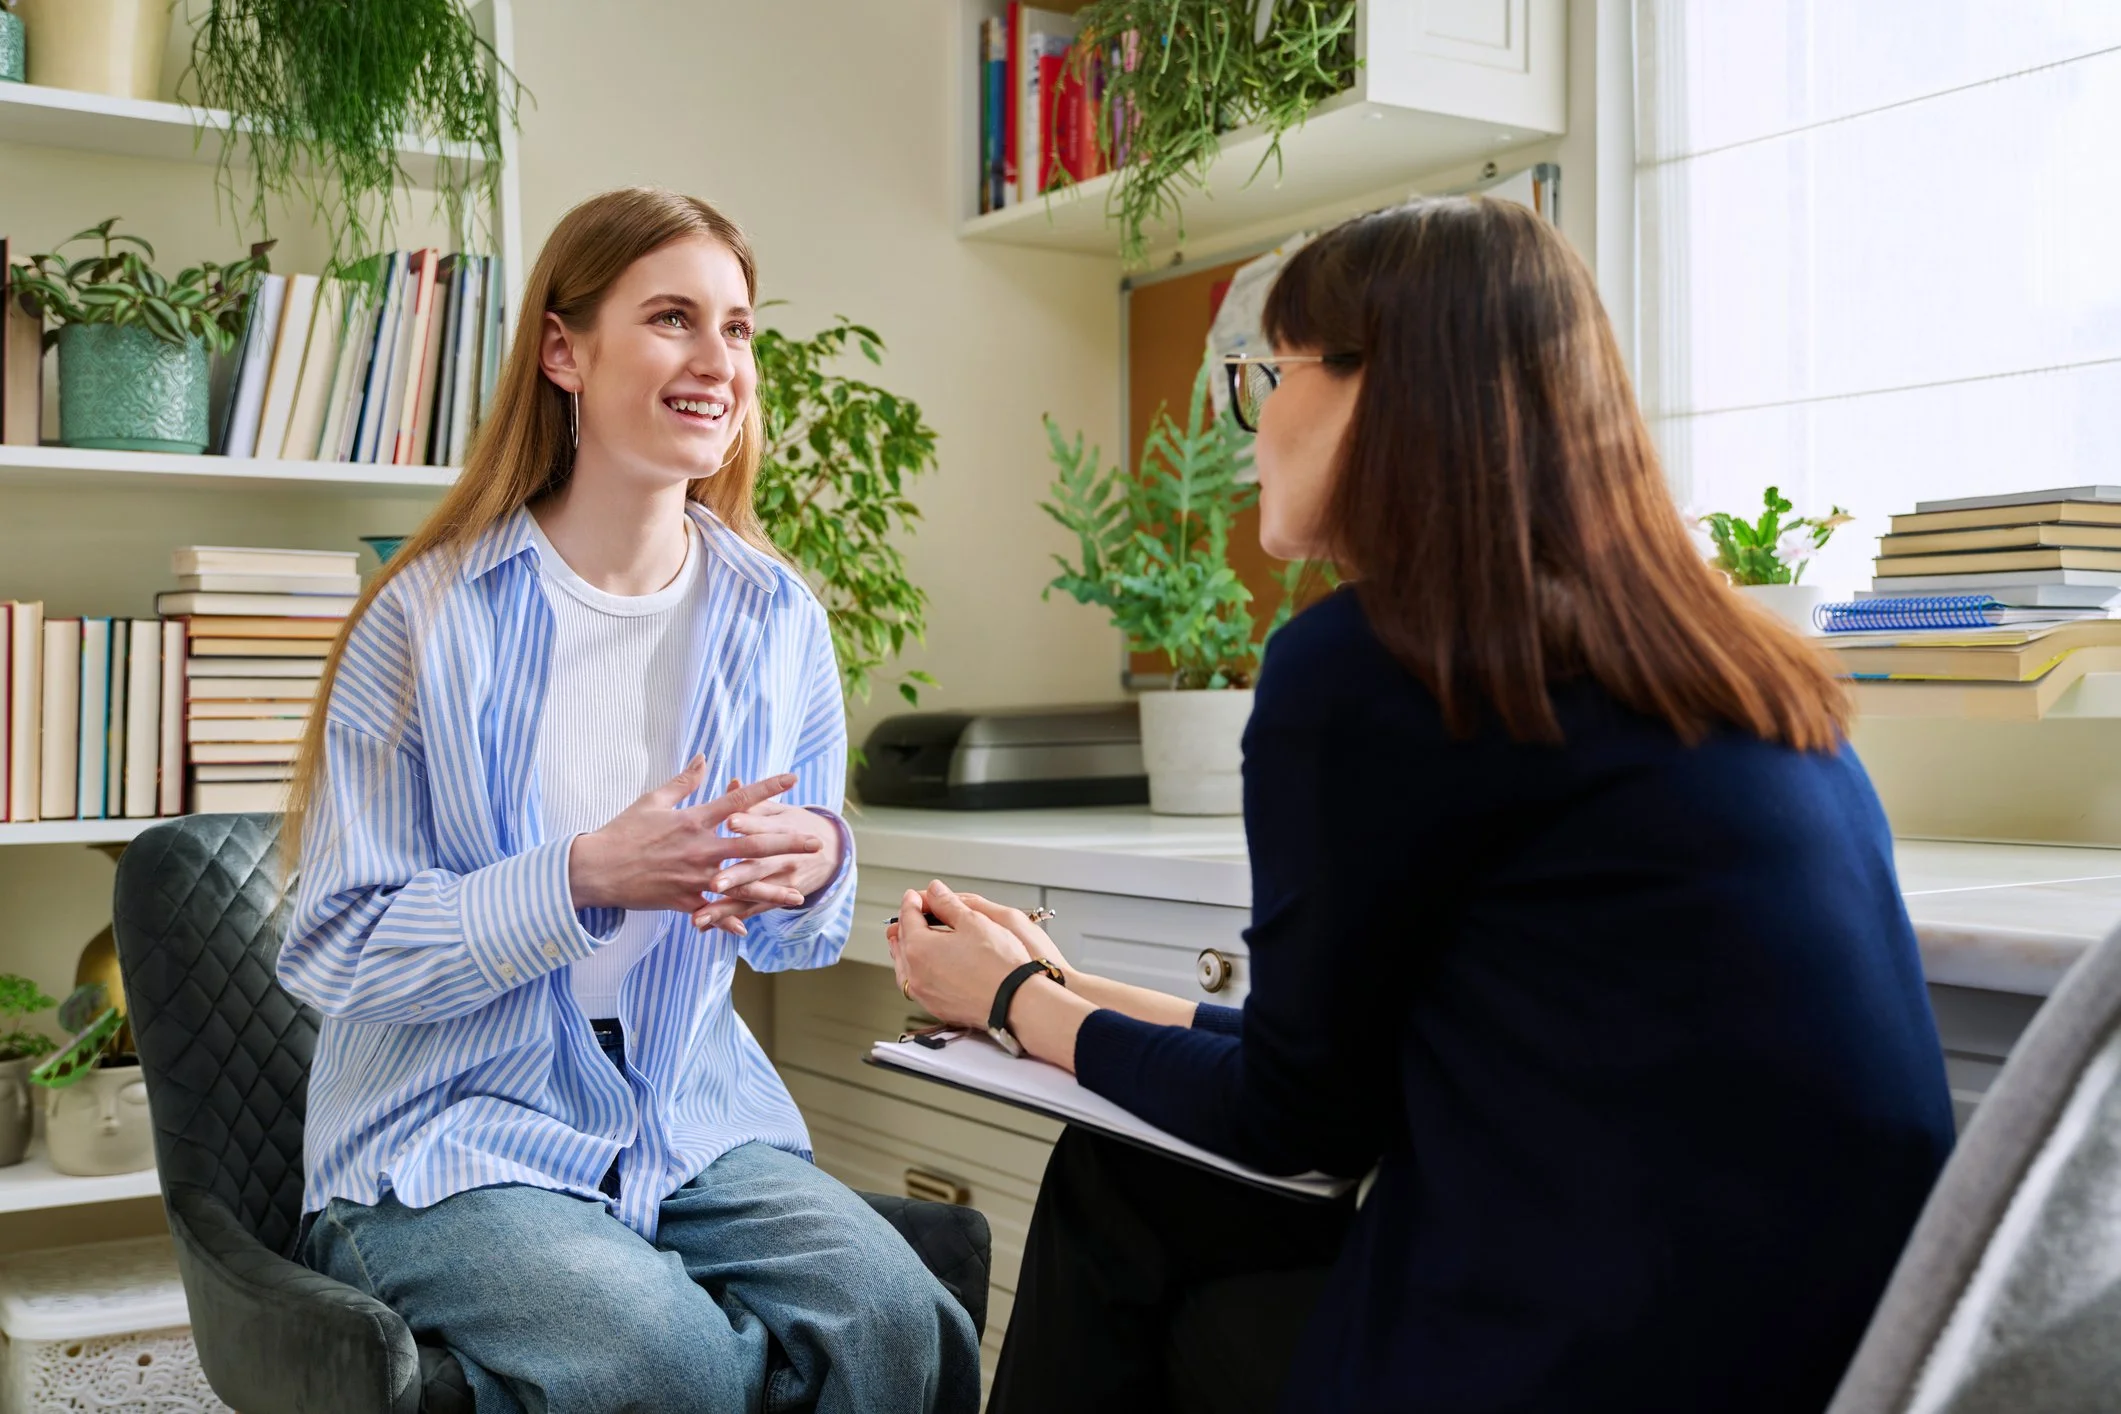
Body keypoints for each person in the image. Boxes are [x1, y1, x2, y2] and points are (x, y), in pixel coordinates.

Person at [890, 195, 1957, 1414]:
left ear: (1381, 390)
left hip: (1590, 1360)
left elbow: (1302, 1122)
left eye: (1269, 375)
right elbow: (1362, 1065)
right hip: (1831, 1358)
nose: (1256, 423)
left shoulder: (1377, 664)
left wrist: (1016, 1003)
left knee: (1117, 1196)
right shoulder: (1722, 664)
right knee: (1142, 1193)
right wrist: (1064, 993)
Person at [277, 188, 979, 1414]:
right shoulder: (427, 615)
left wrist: (814, 856)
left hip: (686, 1106)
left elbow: (794, 930)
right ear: (564, 349)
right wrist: (582, 876)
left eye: (740, 329)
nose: (719, 361)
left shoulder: (777, 620)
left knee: (897, 1320)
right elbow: (337, 946)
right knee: (669, 1360)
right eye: (671, 318)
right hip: (448, 1123)